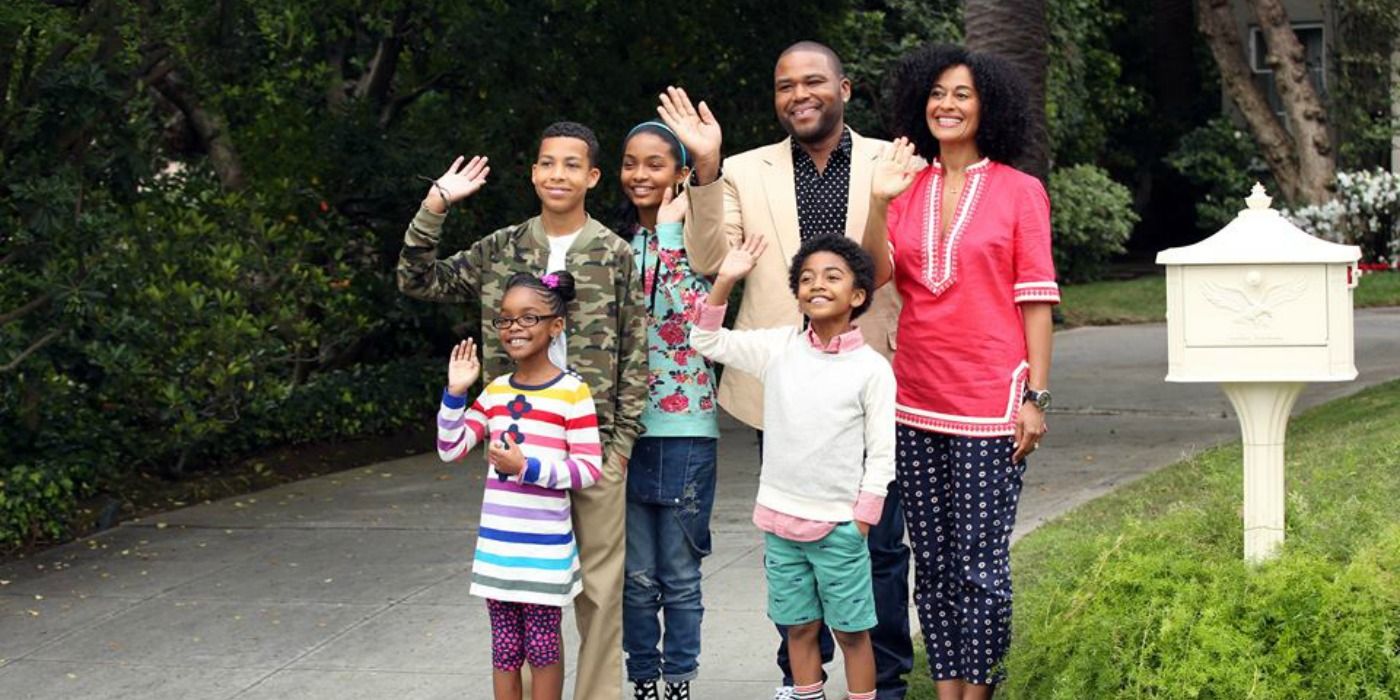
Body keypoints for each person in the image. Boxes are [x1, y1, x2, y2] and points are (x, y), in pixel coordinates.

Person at [657, 40, 913, 700]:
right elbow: (712, 256)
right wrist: (706, 166)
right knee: (796, 551)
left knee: (879, 552)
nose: (799, 95)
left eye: (812, 82)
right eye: (784, 86)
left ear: (845, 89)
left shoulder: (893, 159)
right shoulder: (741, 169)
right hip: (787, 384)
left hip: (870, 373)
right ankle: (801, 684)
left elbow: (904, 263)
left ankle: (882, 685)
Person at [398, 121, 647, 700]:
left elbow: (637, 353)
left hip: (592, 446)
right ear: (533, 173)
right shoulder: (502, 247)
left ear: (592, 177)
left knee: (601, 592)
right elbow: (417, 279)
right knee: (521, 596)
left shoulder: (614, 254)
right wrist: (436, 203)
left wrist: (621, 446)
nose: (557, 174)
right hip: (516, 449)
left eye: (571, 164)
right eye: (546, 163)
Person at [861, 44, 1058, 700]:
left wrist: (1034, 396)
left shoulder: (1020, 192)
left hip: (990, 403)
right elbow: (874, 277)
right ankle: (948, 690)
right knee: (936, 567)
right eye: (938, 92)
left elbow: (1036, 300)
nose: (947, 104)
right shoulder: (905, 186)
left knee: (981, 567)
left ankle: (980, 689)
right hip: (915, 400)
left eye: (963, 94)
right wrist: (879, 202)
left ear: (988, 106)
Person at [689, 234, 894, 700]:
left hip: (840, 527)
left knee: (852, 634)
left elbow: (882, 454)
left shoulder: (871, 369)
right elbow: (705, 339)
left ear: (857, 296)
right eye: (806, 278)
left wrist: (861, 520)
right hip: (780, 523)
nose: (816, 285)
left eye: (831, 277)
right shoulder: (779, 348)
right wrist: (725, 279)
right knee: (798, 629)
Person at [437, 272, 601, 700]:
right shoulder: (493, 392)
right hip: (498, 553)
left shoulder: (573, 393)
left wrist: (527, 466)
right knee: (504, 650)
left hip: (544, 552)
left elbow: (587, 469)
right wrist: (456, 394)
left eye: (528, 318)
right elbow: (451, 448)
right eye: (506, 319)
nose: (515, 328)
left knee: (544, 650)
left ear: (556, 326)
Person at [614, 121, 719, 700]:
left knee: (679, 577)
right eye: (631, 163)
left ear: (681, 175)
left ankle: (679, 680)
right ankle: (643, 681)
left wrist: (674, 237)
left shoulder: (703, 245)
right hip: (627, 433)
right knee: (636, 579)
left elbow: (704, 321)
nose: (640, 175)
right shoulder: (614, 247)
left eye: (655, 164)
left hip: (686, 434)